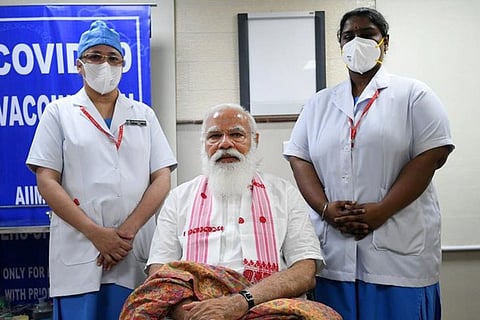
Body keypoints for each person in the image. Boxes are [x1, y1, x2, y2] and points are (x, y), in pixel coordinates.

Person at [283, 7, 454, 320]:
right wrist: (325, 209)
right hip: (334, 255)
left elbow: (433, 155)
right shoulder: (319, 103)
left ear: (384, 43)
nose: (357, 42)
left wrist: (382, 210)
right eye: (349, 36)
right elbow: (299, 157)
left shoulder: (414, 95)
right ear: (340, 44)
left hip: (398, 258)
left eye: (367, 35)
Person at [120, 104, 342, 320]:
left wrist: (240, 303)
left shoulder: (283, 194)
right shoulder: (179, 198)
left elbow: (305, 270)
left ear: (255, 141)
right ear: (204, 144)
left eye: (236, 135)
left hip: (264, 307)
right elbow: (159, 272)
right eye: (214, 136)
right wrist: (193, 314)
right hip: (196, 311)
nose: (225, 144)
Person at [25, 20, 177, 319]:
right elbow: (47, 179)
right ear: (79, 65)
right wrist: (96, 234)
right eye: (95, 56)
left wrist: (127, 232)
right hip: (82, 250)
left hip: (132, 250)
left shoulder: (143, 115)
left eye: (113, 57)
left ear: (123, 64)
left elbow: (161, 176)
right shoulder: (59, 112)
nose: (104, 64)